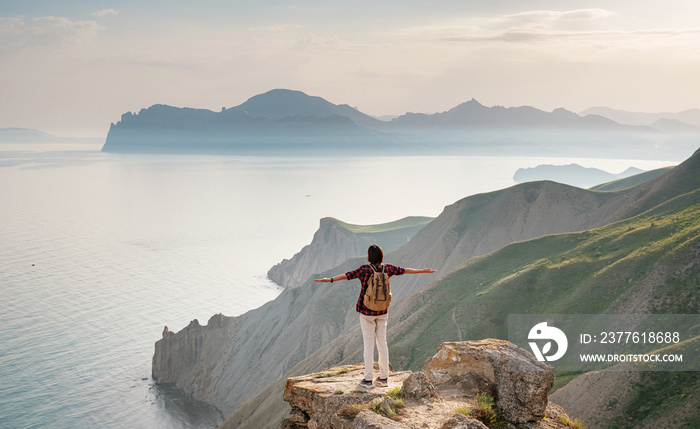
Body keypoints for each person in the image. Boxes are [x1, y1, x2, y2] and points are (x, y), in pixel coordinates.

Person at [314, 244, 435, 390]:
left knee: (368, 345)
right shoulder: (388, 268)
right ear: (381, 256)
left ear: (369, 256)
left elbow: (347, 275)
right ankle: (384, 378)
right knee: (382, 343)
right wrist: (422, 270)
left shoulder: (364, 269)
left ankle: (368, 379)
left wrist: (330, 279)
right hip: (383, 311)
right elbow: (405, 270)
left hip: (367, 313)